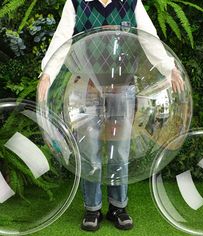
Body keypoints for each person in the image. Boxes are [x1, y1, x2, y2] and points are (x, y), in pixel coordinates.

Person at [37, 0, 184, 232]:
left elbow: (148, 37)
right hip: (87, 89)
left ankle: (118, 208)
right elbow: (62, 41)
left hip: (122, 89)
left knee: (119, 151)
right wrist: (47, 74)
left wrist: (169, 67)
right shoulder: (76, 3)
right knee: (90, 151)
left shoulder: (131, 3)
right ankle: (92, 209)